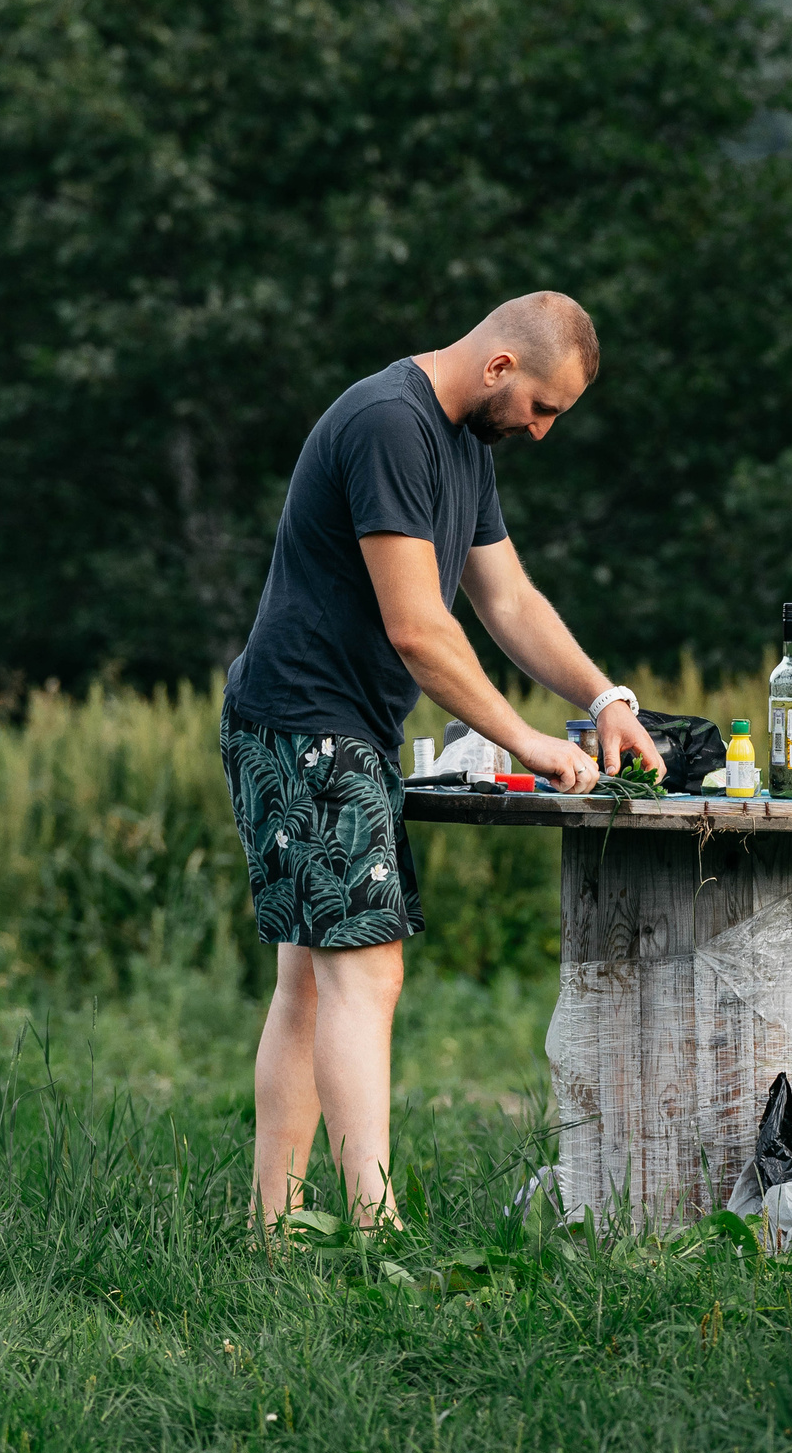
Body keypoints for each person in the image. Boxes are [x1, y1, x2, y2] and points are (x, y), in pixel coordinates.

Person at [219, 291, 660, 1230]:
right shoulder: (391, 422)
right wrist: (528, 741)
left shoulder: (462, 440)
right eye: (542, 407)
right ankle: (373, 1228)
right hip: (304, 720)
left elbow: (508, 603)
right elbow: (420, 628)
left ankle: (274, 1227)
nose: (541, 431)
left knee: (313, 975)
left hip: (338, 724)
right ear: (500, 366)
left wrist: (603, 699)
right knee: (364, 971)